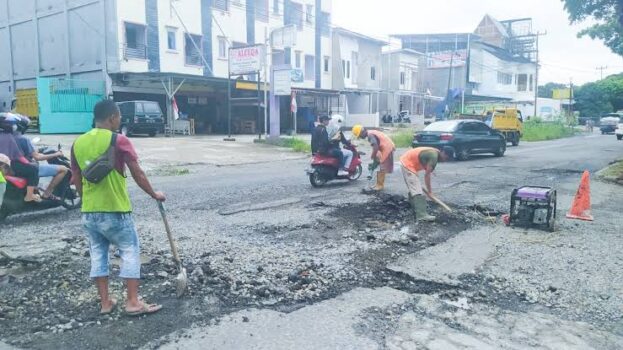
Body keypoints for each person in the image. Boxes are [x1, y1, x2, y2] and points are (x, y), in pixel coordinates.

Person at [71, 99, 166, 316]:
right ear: (113, 117)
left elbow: (75, 178)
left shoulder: (78, 142)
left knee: (97, 253)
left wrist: (86, 202)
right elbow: (137, 173)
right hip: (115, 209)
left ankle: (105, 303)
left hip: (89, 211)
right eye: (119, 117)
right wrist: (155, 194)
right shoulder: (119, 140)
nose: (119, 120)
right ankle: (132, 302)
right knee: (130, 250)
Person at [14, 116, 68, 201]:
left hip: (12, 167)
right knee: (63, 169)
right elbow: (38, 157)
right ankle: (47, 194)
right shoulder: (23, 139)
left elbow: (22, 152)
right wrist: (56, 154)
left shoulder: (8, 138)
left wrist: (38, 150)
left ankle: (35, 190)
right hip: (25, 167)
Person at [399, 146, 453, 222]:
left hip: (408, 161)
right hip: (407, 163)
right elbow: (427, 176)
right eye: (446, 158)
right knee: (417, 190)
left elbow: (427, 165)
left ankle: (414, 207)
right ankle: (421, 215)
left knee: (414, 186)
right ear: (443, 153)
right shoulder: (434, 156)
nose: (445, 160)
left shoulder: (436, 153)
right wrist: (430, 192)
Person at [0, 114, 40, 202]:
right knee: (33, 170)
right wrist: (29, 163)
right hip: (7, 166)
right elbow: (18, 156)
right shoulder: (8, 137)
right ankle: (29, 195)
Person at [351, 125, 396, 191]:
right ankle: (378, 184)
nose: (360, 137)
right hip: (384, 147)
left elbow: (375, 147)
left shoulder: (370, 135)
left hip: (387, 148)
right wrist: (375, 158)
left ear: (361, 132)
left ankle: (380, 185)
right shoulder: (371, 132)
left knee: (382, 166)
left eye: (359, 136)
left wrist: (373, 156)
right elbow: (377, 146)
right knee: (378, 163)